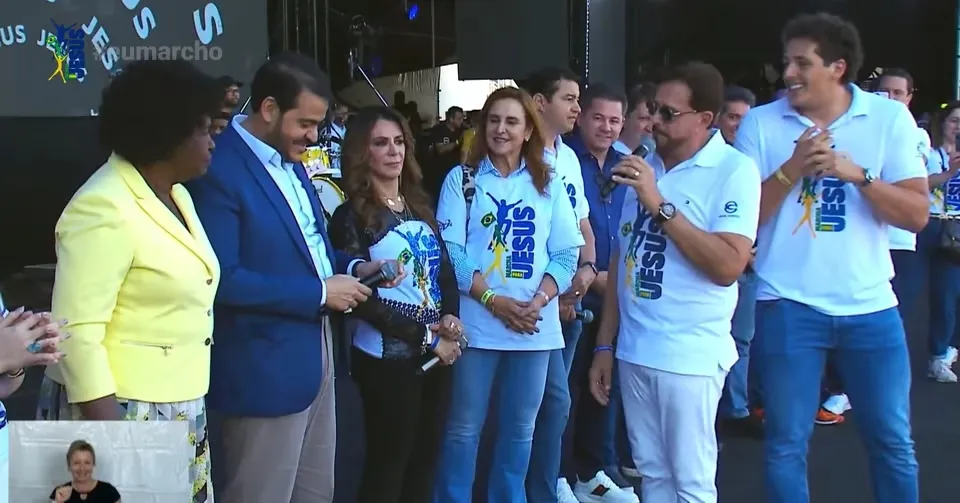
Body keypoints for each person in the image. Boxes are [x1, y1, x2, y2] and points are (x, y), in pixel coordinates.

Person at [734, 13, 926, 503]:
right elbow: (740, 221)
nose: (789, 73)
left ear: (838, 68)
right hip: (787, 306)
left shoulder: (888, 118)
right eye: (786, 63)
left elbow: (917, 214)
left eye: (802, 63)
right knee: (785, 445)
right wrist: (792, 169)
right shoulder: (761, 122)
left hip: (871, 307)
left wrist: (855, 174)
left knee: (892, 441)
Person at [184, 52, 391, 503]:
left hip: (317, 358)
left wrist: (352, 268)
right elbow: (221, 279)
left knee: (315, 492)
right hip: (261, 372)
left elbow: (308, 245)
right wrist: (320, 292)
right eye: (306, 124)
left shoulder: (290, 159)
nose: (315, 137)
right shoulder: (218, 169)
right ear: (270, 109)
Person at [36, 59, 220, 503]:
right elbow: (76, 333)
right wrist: (116, 444)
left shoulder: (176, 194)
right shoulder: (103, 206)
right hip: (122, 411)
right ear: (166, 133)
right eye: (203, 130)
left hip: (177, 405)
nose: (214, 141)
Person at [589, 61, 761, 503]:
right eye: (652, 110)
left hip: (691, 355)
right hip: (635, 350)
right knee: (652, 476)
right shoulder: (645, 164)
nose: (654, 122)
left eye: (668, 114)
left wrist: (658, 202)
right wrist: (606, 345)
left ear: (705, 120)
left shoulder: (733, 171)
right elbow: (620, 256)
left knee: (691, 482)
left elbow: (727, 267)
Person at [432, 86, 584, 502]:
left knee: (521, 431)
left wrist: (537, 302)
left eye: (512, 121)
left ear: (528, 130)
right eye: (494, 120)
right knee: (464, 428)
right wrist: (492, 301)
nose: (501, 129)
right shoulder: (462, 179)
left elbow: (567, 252)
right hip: (477, 327)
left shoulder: (549, 181)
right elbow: (454, 253)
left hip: (534, 327)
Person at [328, 106, 462, 503]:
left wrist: (451, 319)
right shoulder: (350, 215)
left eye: (399, 142)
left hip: (438, 353)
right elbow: (360, 298)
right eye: (381, 143)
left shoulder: (420, 205)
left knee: (425, 460)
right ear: (361, 152)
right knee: (389, 464)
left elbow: (444, 273)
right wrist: (425, 337)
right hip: (387, 360)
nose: (393, 151)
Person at [916, 101, 960, 382]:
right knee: (912, 294)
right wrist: (947, 175)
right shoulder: (929, 154)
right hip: (927, 222)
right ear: (942, 123)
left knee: (948, 296)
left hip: (955, 228)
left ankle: (941, 355)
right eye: (954, 120)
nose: (958, 126)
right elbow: (916, 184)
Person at [50, 440, 121, 503]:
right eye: (76, 463)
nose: (82, 468)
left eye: (87, 462)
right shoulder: (60, 493)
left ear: (93, 464)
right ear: (69, 466)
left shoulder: (109, 492)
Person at [613, 83, 655, 156]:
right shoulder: (606, 156)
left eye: (655, 121)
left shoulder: (659, 162)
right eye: (644, 119)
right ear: (625, 120)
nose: (650, 128)